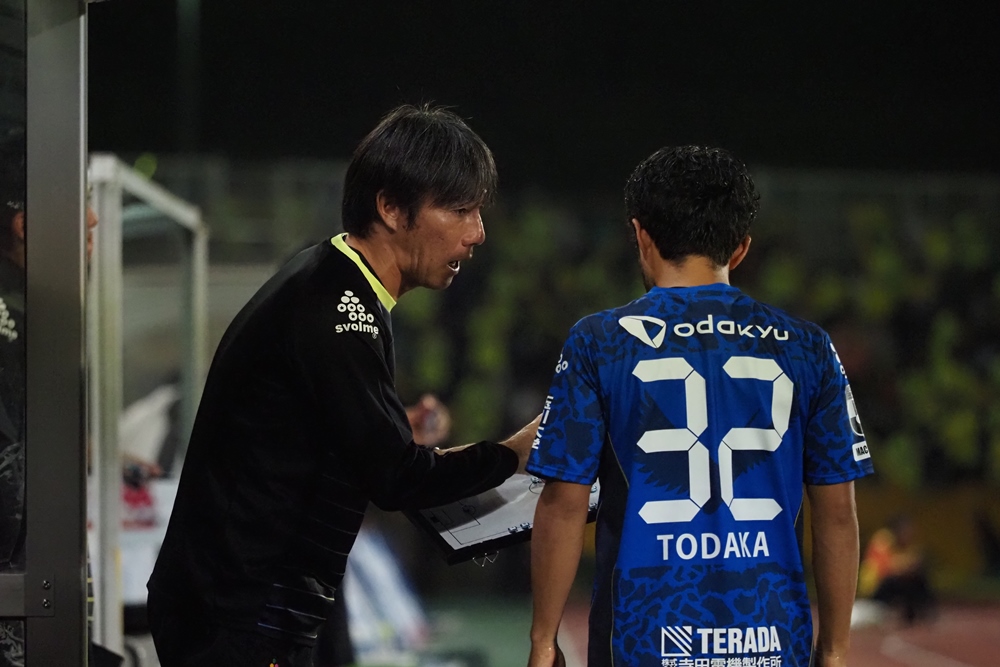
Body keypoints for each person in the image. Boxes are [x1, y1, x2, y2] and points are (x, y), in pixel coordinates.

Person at [147, 104, 538, 667]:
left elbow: (315, 436)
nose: (477, 233)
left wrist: (393, 429)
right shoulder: (335, 309)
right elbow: (397, 478)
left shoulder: (335, 283)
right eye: (459, 210)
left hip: (243, 609)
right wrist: (515, 453)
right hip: (239, 616)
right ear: (391, 208)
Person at [526, 146, 874, 667]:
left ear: (641, 235)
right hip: (770, 638)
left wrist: (543, 641)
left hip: (642, 639)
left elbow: (563, 503)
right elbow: (838, 514)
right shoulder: (808, 347)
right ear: (741, 247)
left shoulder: (599, 342)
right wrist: (835, 650)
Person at [858, 514, 935, 625]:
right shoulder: (883, 539)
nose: (910, 534)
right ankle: (913, 613)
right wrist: (909, 565)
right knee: (907, 579)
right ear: (898, 529)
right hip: (874, 587)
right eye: (907, 530)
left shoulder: (904, 545)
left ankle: (917, 613)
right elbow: (887, 568)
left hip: (886, 582)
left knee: (916, 577)